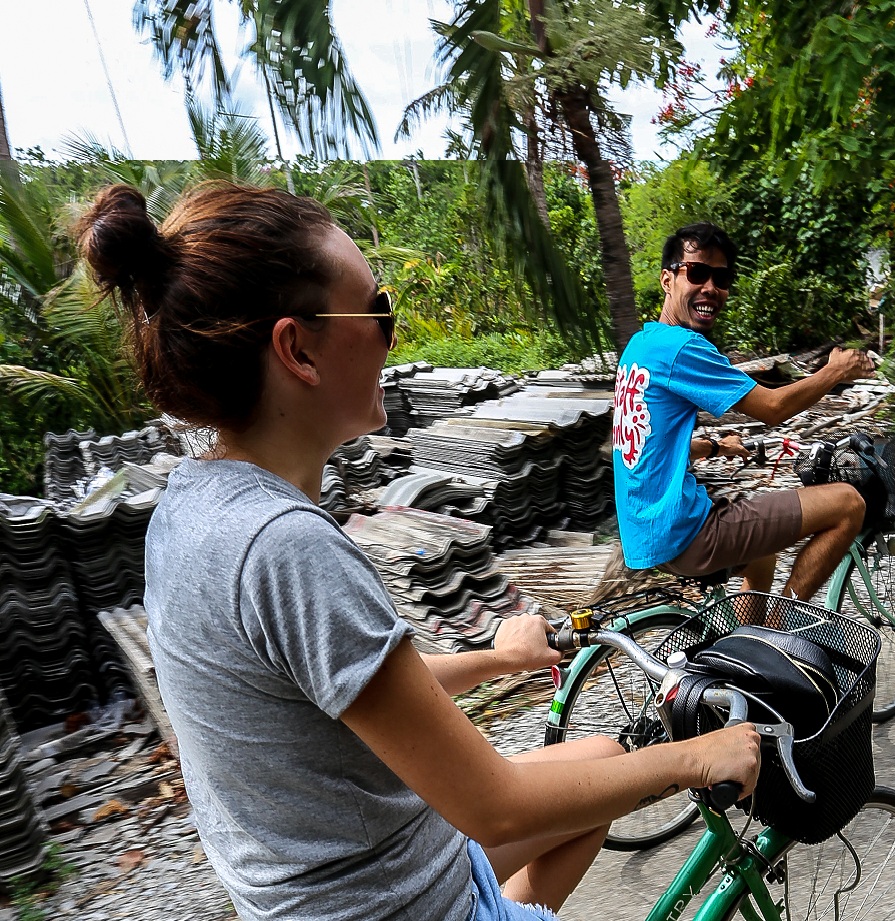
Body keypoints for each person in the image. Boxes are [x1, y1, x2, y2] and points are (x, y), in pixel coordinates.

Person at [76, 184, 761, 921]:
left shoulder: (192, 501)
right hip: (388, 902)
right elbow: (495, 806)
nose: (391, 334)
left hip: (357, 871)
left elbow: (352, 681)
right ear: (296, 349)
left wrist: (500, 658)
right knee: (619, 774)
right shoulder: (286, 547)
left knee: (598, 765)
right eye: (378, 311)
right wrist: (696, 756)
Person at [612, 222, 875, 601]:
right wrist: (834, 372)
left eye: (721, 278)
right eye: (697, 272)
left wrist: (716, 447)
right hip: (684, 531)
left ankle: (742, 651)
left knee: (761, 556)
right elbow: (773, 408)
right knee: (849, 504)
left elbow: (646, 445)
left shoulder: (641, 345)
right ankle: (784, 636)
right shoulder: (682, 347)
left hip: (645, 532)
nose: (710, 288)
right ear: (667, 280)